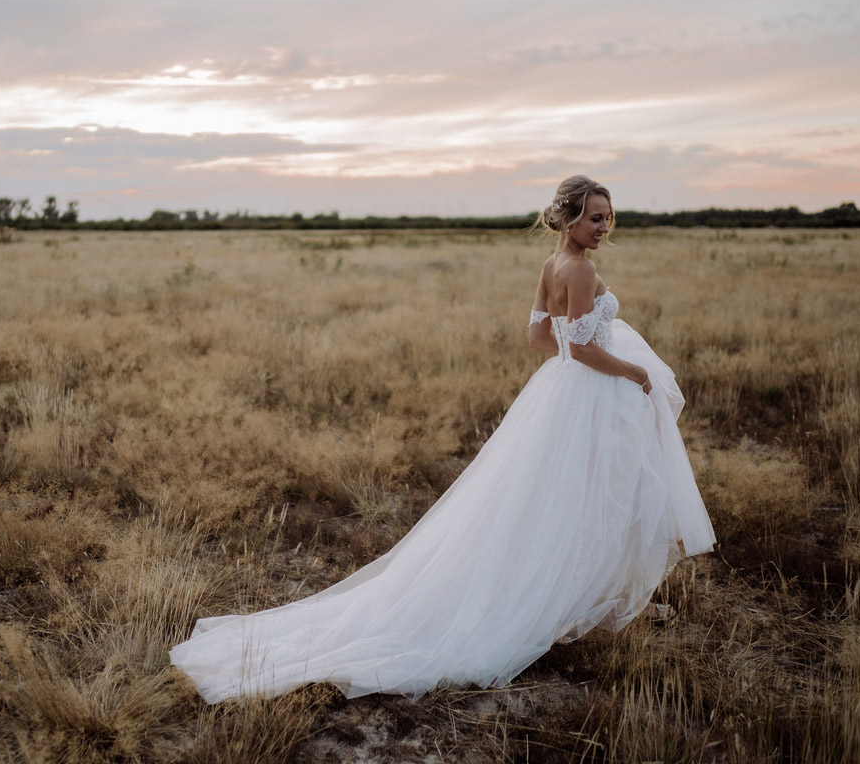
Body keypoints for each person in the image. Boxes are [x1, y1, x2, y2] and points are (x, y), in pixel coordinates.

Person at [169, 175, 716, 703]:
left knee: (560, 496)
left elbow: (537, 336)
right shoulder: (578, 269)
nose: (603, 226)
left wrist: (573, 364)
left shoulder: (551, 263)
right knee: (590, 494)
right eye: (594, 217)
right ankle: (571, 598)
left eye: (607, 217)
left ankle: (595, 596)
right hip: (589, 391)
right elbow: (584, 347)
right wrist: (632, 373)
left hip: (562, 392)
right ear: (569, 218)